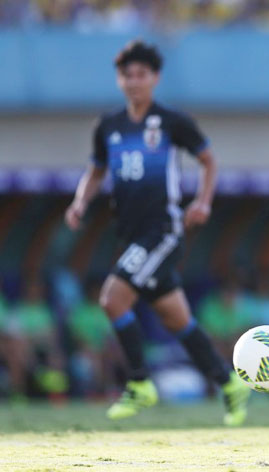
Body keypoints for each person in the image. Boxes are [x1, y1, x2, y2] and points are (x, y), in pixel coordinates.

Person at [64, 40, 249, 425]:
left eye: (141, 75)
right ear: (120, 80)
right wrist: (81, 202)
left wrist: (202, 201)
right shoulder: (109, 126)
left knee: (112, 299)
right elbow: (96, 170)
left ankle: (139, 383)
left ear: (155, 78)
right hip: (130, 234)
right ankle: (228, 382)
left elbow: (208, 160)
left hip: (162, 230)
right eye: (127, 75)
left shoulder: (171, 121)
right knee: (176, 319)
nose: (134, 82)